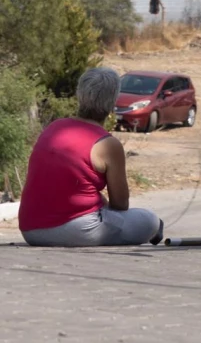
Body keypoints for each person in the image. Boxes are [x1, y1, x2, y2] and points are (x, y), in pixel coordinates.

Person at [20, 67, 162, 247]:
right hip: (76, 229)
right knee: (150, 220)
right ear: (113, 102)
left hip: (30, 230)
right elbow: (120, 204)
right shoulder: (108, 144)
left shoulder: (54, 127)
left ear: (80, 95)